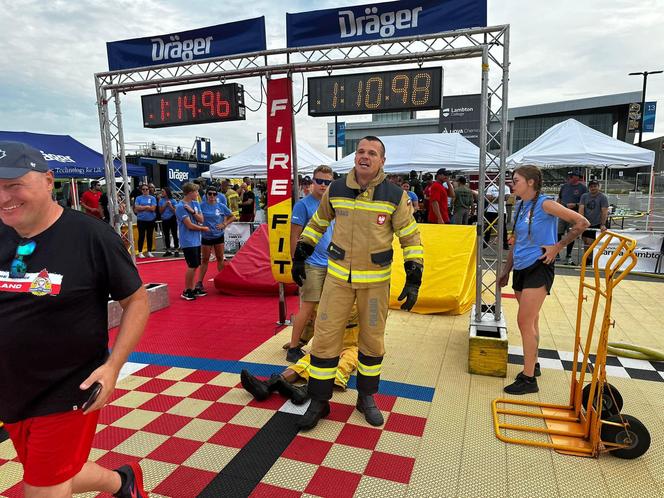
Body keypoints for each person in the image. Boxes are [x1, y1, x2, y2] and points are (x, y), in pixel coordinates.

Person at [0, 141, 150, 497]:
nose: (4, 198)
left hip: (67, 389)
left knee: (41, 487)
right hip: (11, 388)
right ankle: (122, 482)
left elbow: (138, 300)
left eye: (13, 185)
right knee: (48, 471)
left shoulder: (91, 236)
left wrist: (113, 367)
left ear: (49, 180)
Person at [291, 136, 423, 430]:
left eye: (372, 153)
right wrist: (302, 250)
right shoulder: (336, 188)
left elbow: (410, 236)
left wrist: (415, 272)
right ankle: (319, 401)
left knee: (372, 343)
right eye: (361, 151)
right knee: (325, 341)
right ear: (355, 157)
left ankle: (366, 398)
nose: (365, 156)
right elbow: (318, 223)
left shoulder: (394, 195)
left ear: (382, 161)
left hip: (375, 284)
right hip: (337, 280)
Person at [499, 165, 588, 395]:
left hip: (539, 267)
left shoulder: (545, 203)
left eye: (516, 180)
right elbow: (516, 241)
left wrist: (557, 246)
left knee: (524, 322)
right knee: (532, 321)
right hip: (521, 267)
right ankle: (533, 364)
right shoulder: (519, 206)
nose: (512, 183)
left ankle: (528, 379)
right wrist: (506, 270)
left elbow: (582, 222)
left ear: (530, 182)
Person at [242, 305, 360, 403]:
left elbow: (373, 324)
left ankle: (305, 390)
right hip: (327, 343)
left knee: (343, 365)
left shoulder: (362, 294)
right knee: (305, 361)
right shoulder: (327, 292)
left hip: (353, 346)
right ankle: (268, 385)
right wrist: (300, 341)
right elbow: (311, 322)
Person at [287, 165, 335, 363]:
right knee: (307, 307)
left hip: (331, 263)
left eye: (327, 182)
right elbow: (294, 235)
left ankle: (305, 342)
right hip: (311, 263)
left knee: (326, 308)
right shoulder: (303, 205)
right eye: (319, 181)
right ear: (312, 182)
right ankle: (292, 347)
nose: (323, 186)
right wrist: (296, 261)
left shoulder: (332, 204)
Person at [196, 186, 235, 292]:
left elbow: (233, 216)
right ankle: (199, 282)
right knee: (204, 260)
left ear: (217, 195)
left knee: (220, 259)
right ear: (206, 195)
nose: (212, 196)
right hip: (206, 237)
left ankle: (223, 281)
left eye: (214, 194)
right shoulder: (201, 206)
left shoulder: (221, 206)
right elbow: (195, 216)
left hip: (218, 236)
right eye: (210, 194)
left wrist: (224, 224)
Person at [176, 182, 210, 300]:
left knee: (196, 265)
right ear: (190, 193)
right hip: (188, 240)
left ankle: (192, 288)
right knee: (192, 265)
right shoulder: (180, 206)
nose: (197, 194)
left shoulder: (195, 204)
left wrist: (193, 211)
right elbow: (189, 225)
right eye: (195, 192)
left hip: (196, 240)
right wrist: (203, 228)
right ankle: (187, 290)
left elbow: (201, 219)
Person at [557, 171, 588, 265]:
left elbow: (585, 202)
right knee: (558, 233)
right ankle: (557, 252)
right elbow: (559, 198)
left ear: (576, 177)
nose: (569, 178)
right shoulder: (564, 186)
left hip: (574, 215)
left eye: (571, 176)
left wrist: (575, 205)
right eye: (568, 176)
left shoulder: (582, 188)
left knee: (571, 233)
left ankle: (568, 254)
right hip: (562, 213)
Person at [579, 180, 609, 264]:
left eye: (595, 186)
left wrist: (602, 224)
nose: (593, 188)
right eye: (591, 186)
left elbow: (604, 211)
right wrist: (581, 221)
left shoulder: (602, 197)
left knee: (590, 242)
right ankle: (587, 258)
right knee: (585, 240)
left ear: (598, 187)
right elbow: (581, 208)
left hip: (596, 223)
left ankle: (590, 259)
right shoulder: (584, 196)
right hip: (586, 222)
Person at [484, 180, 511, 250]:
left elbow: (506, 198)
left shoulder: (506, 188)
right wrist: (501, 198)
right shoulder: (490, 188)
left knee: (503, 228)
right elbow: (488, 198)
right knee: (488, 227)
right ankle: (485, 242)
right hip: (490, 210)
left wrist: (494, 198)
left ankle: (505, 244)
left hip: (502, 211)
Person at [133, 184, 157, 258]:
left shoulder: (152, 198)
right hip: (141, 220)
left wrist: (142, 207)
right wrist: (147, 207)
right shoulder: (138, 198)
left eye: (146, 189)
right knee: (141, 236)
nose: (145, 190)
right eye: (143, 189)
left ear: (149, 190)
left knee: (149, 236)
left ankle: (149, 251)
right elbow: (136, 208)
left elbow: (153, 208)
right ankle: (140, 252)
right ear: (141, 190)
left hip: (151, 219)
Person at [159, 187, 179, 257]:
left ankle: (176, 249)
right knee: (166, 235)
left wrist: (170, 206)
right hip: (165, 219)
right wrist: (165, 205)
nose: (162, 193)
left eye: (163, 191)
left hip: (172, 218)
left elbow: (175, 211)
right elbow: (160, 211)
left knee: (174, 234)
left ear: (167, 192)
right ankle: (168, 250)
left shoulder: (173, 200)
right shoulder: (161, 201)